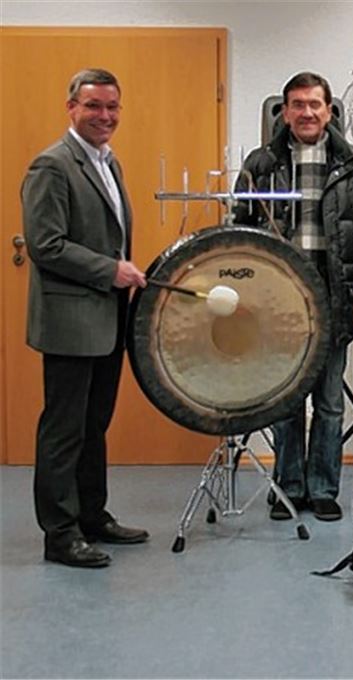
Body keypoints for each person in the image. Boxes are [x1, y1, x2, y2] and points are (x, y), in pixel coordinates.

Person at [234, 72, 353, 522]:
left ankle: (322, 489)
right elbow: (238, 230)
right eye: (296, 104)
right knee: (285, 400)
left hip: (334, 292)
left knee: (329, 400)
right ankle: (287, 487)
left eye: (314, 104)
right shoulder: (260, 165)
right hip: (278, 300)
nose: (306, 113)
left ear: (329, 110)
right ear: (284, 111)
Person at [23, 68, 149, 568]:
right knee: (63, 430)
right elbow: (45, 244)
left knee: (94, 424)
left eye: (112, 107)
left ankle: (92, 516)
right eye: (94, 106)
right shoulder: (52, 165)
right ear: (71, 107)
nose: (105, 116)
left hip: (106, 317)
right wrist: (110, 270)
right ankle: (59, 535)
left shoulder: (106, 162)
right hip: (71, 321)